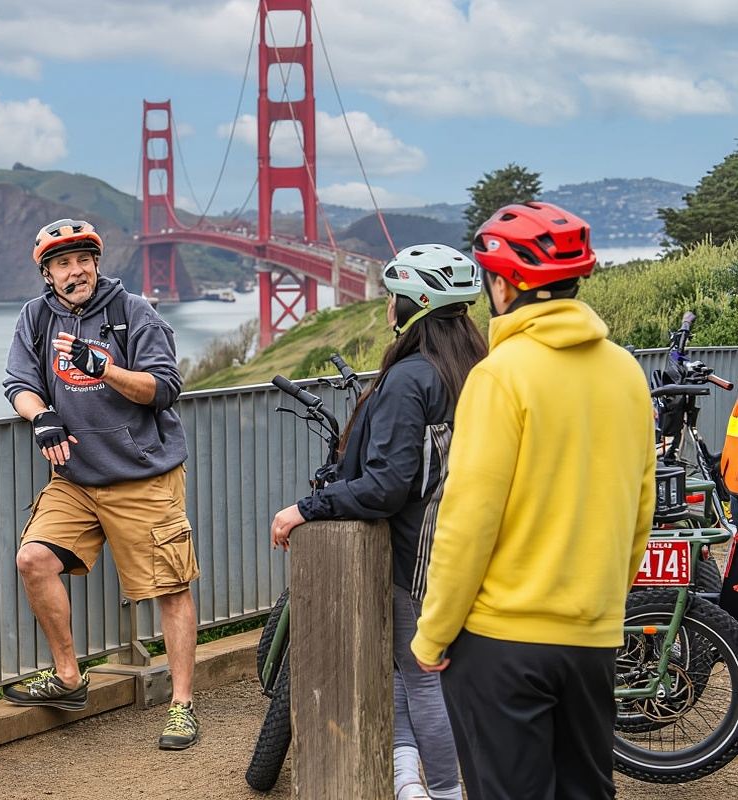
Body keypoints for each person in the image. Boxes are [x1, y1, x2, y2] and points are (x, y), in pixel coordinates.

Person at [410, 203, 657, 799]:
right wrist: (604, 605)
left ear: (502, 284)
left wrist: (432, 633)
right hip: (592, 638)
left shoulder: (501, 376)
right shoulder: (626, 372)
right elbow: (639, 511)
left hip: (503, 643)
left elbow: (467, 522)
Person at [270, 243, 486, 800]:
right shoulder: (475, 369)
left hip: (416, 557)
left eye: (392, 296)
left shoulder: (410, 379)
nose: (386, 305)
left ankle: (442, 791)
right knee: (405, 666)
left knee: (420, 675)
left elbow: (387, 485)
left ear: (413, 304)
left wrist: (305, 509)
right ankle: (407, 779)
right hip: (464, 548)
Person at [2, 218, 201, 750]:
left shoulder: (132, 312)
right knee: (33, 560)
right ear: (46, 273)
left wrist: (105, 368)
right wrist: (41, 416)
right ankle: (69, 678)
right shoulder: (35, 317)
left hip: (142, 476)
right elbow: (19, 382)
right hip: (75, 477)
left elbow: (164, 388)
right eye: (63, 264)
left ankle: (181, 704)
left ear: (97, 262)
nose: (76, 271)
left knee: (171, 587)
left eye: (83, 260)